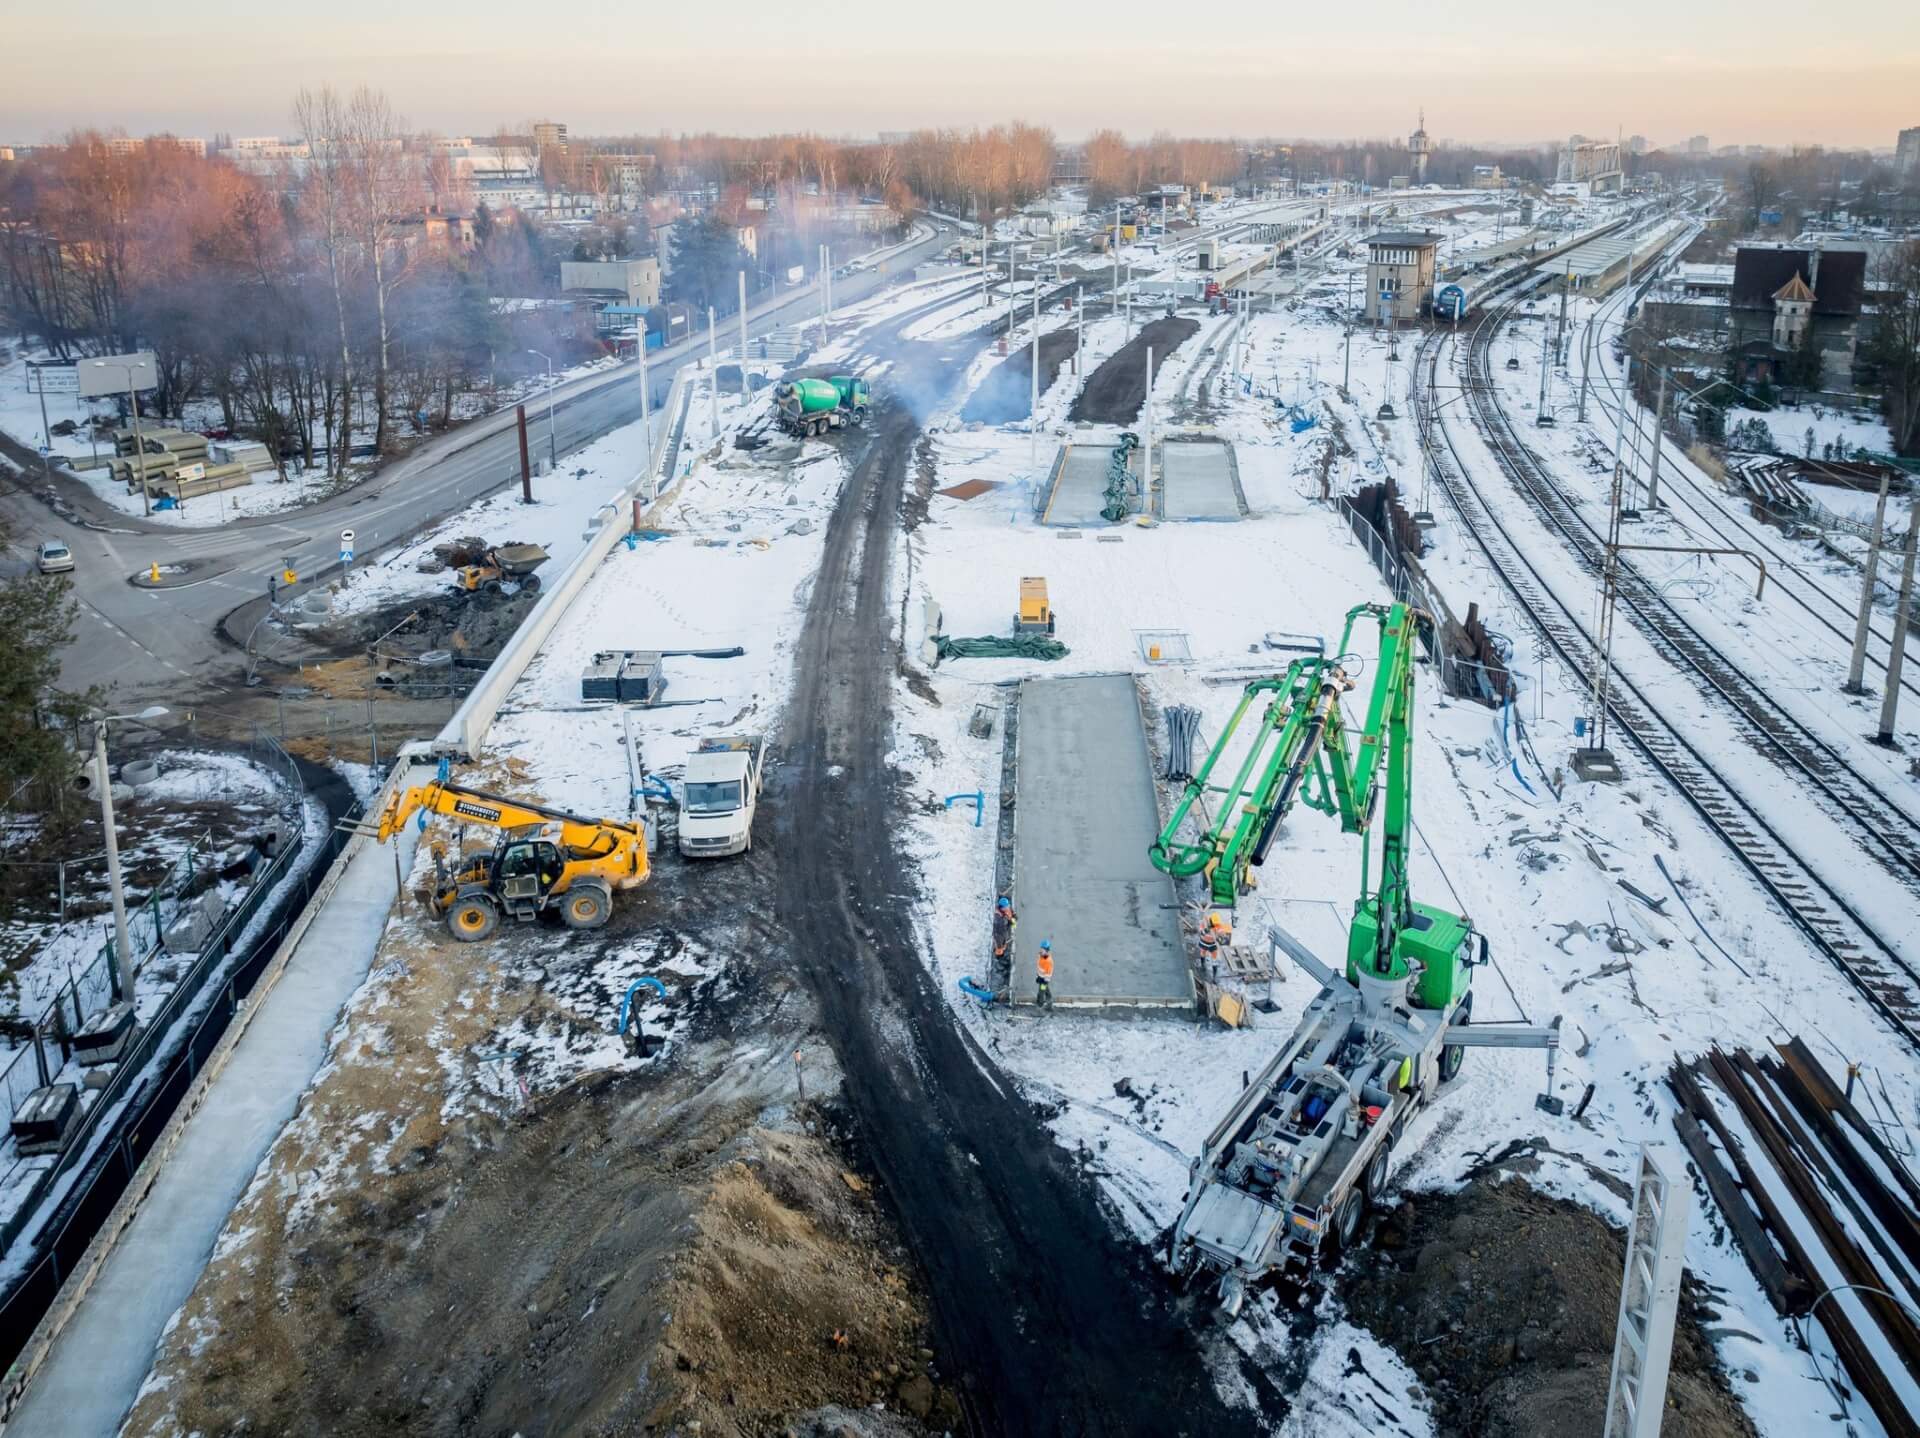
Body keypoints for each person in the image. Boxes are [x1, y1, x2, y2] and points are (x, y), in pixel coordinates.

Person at [992, 896, 1017, 986]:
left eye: (1008, 906)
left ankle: (1002, 957)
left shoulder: (1006, 909)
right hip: (1000, 937)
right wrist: (1000, 944)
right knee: (1000, 949)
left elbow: (1012, 913)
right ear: (1001, 908)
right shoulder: (998, 918)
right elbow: (999, 932)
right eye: (1006, 907)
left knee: (1004, 946)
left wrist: (1014, 917)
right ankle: (999, 963)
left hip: (1004, 934)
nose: (1007, 908)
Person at [1034, 940, 1055, 1010]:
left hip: (1044, 980)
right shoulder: (1041, 957)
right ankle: (1049, 1004)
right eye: (1041, 949)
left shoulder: (1048, 961)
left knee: (1041, 992)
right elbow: (1039, 967)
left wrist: (1045, 981)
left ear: (1046, 951)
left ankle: (1040, 1006)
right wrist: (1038, 976)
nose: (1040, 951)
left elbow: (1048, 973)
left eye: (1042, 950)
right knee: (1046, 991)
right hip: (1041, 978)